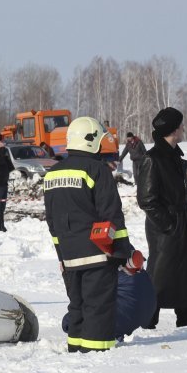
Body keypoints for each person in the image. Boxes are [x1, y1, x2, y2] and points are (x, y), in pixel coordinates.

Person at [44, 116, 141, 352]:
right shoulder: (97, 170)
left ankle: (76, 349)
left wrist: (61, 256)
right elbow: (112, 217)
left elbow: (52, 223)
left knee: (77, 305)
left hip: (68, 255)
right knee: (98, 306)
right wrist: (124, 253)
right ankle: (96, 353)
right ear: (91, 141)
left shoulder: (52, 174)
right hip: (97, 255)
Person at [134, 107, 187, 328]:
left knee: (183, 273)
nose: (183, 128)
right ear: (174, 130)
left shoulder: (174, 155)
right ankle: (147, 322)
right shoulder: (153, 158)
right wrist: (169, 224)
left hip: (180, 224)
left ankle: (186, 320)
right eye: (181, 125)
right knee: (159, 277)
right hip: (165, 230)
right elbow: (146, 199)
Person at [62, 269, 157, 342]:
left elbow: (89, 293)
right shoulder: (127, 251)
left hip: (125, 312)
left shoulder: (94, 256)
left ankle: (112, 333)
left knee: (69, 322)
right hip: (147, 310)